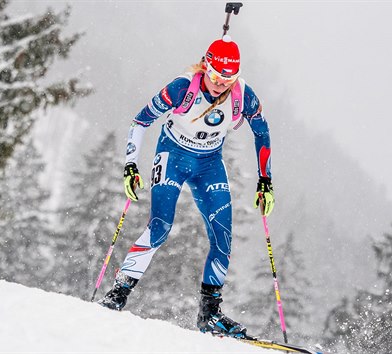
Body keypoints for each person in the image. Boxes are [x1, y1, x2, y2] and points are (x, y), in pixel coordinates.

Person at [98, 35, 275, 339]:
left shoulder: (243, 96)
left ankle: (210, 314)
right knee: (160, 227)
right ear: (206, 66)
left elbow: (262, 132)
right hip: (173, 156)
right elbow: (140, 122)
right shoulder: (182, 88)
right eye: (217, 76)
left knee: (223, 236)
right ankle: (118, 294)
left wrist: (265, 181)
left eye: (229, 79)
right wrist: (130, 165)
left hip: (209, 164)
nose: (221, 84)